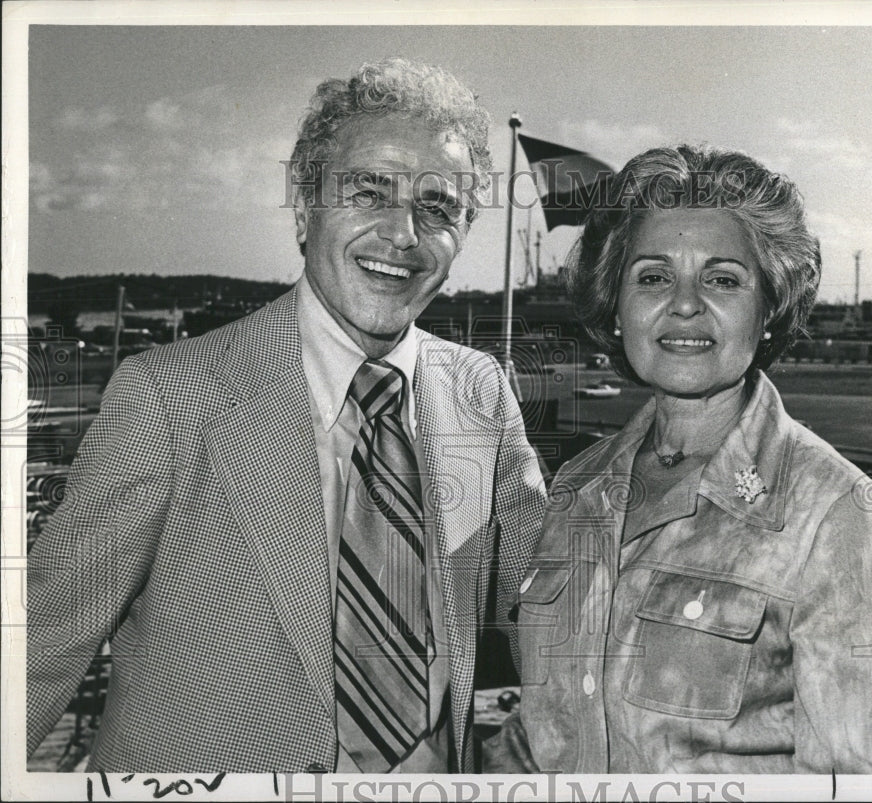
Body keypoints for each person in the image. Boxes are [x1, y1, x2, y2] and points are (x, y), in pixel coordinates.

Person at [27, 58, 546, 773]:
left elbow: (543, 609)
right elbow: (38, 649)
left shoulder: (480, 393)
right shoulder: (169, 397)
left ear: (462, 235)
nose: (403, 233)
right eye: (369, 191)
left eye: (438, 207)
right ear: (304, 211)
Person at [488, 145, 872, 773]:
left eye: (722, 279)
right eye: (652, 277)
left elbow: (863, 785)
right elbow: (542, 737)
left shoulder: (839, 511)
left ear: (768, 308)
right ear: (616, 307)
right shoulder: (578, 485)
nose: (685, 303)